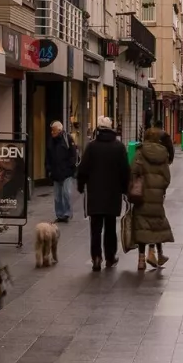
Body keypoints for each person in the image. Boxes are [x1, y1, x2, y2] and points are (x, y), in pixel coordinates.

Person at [76, 115, 131, 270]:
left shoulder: (91, 146)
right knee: (110, 228)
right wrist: (125, 190)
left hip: (95, 194)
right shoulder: (119, 147)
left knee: (95, 229)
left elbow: (83, 169)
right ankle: (110, 257)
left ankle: (96, 257)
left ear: (98, 129)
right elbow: (125, 171)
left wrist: (81, 185)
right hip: (113, 195)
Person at [130, 127, 175, 271]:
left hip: (141, 195)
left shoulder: (139, 152)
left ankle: (141, 260)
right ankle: (153, 252)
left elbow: (133, 172)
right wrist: (159, 188)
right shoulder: (163, 155)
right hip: (156, 197)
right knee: (156, 224)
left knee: (142, 226)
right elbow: (167, 178)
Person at [47, 120, 79, 223]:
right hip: (56, 172)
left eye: (54, 131)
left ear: (60, 130)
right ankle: (60, 214)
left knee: (66, 193)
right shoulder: (51, 141)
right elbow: (47, 156)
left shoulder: (68, 139)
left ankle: (67, 214)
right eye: (52, 131)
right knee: (57, 196)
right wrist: (48, 169)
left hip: (66, 172)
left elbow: (73, 155)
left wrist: (69, 167)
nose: (52, 132)